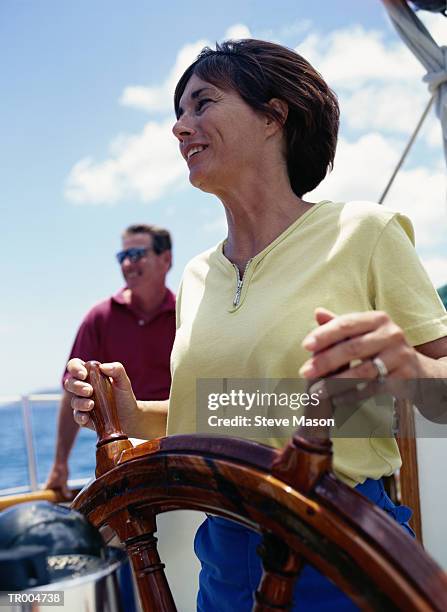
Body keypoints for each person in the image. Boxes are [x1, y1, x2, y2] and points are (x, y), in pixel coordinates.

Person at [63, 40, 447, 610]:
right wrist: (133, 414)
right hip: (223, 558)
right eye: (178, 112)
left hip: (341, 548)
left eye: (202, 104)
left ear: (274, 116)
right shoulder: (198, 274)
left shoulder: (366, 233)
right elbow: (242, 411)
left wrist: (410, 367)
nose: (179, 128)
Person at [45, 224, 175, 495]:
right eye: (122, 257)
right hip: (121, 458)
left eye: (138, 253)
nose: (128, 263)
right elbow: (74, 389)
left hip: (178, 449)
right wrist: (60, 464)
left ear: (166, 259)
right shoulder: (100, 317)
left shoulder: (187, 313)